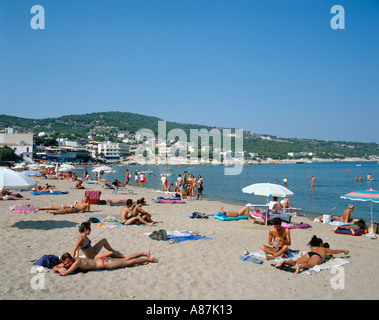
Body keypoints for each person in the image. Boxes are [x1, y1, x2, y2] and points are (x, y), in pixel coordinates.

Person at [274, 235, 349, 274]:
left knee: (295, 262)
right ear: (321, 244)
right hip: (317, 256)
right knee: (309, 265)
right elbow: (335, 251)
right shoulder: (324, 249)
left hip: (309, 254)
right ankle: (300, 267)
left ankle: (284, 262)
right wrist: (344, 251)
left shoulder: (313, 247)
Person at [53, 251, 158, 276]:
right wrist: (58, 268)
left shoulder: (77, 262)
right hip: (103, 260)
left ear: (71, 259)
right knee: (126, 259)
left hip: (105, 264)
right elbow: (57, 266)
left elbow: (65, 273)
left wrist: (61, 270)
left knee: (128, 262)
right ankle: (144, 253)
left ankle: (149, 259)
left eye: (68, 263)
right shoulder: (73, 259)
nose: (67, 265)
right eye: (66, 264)